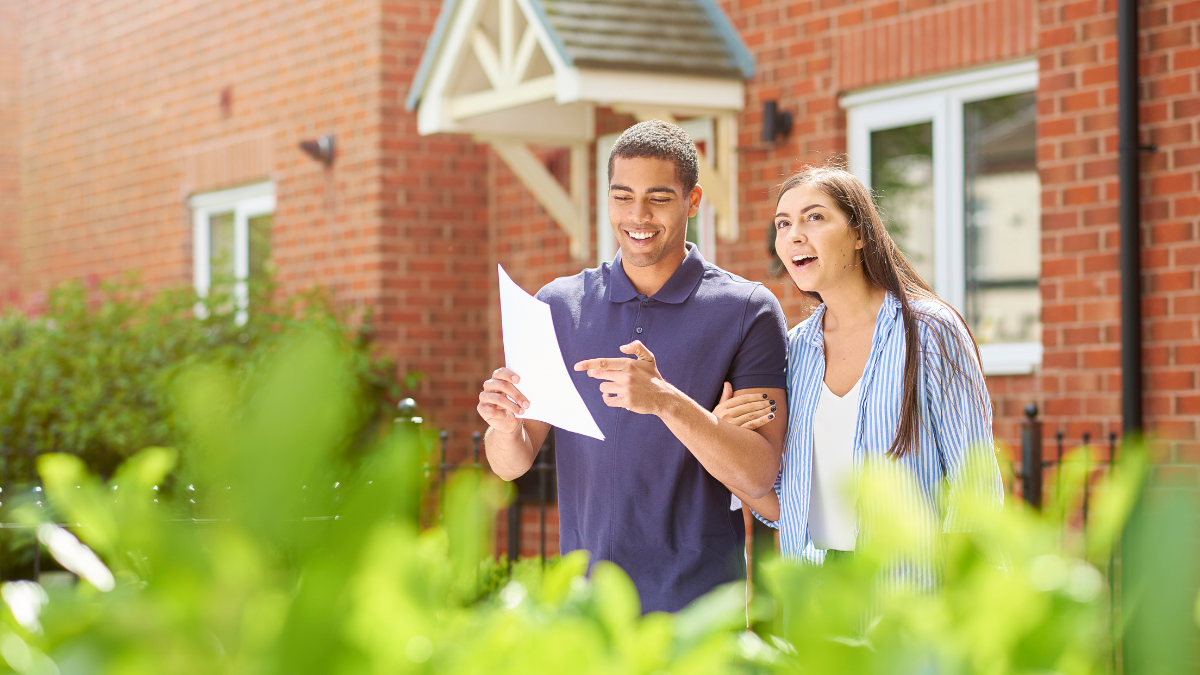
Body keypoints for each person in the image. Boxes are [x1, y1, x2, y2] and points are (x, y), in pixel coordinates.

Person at [477, 120, 788, 613]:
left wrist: (663, 399)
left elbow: (758, 475)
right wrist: (505, 426)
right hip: (587, 612)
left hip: (698, 612)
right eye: (622, 197)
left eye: (658, 198)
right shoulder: (558, 306)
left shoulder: (747, 309)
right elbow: (510, 464)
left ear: (693, 200)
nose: (637, 215)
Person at [718, 165, 1003, 582]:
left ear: (859, 235)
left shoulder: (929, 331)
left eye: (814, 217)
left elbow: (974, 485)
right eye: (783, 223)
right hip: (818, 597)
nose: (794, 234)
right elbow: (785, 508)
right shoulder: (795, 351)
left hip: (912, 593)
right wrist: (724, 441)